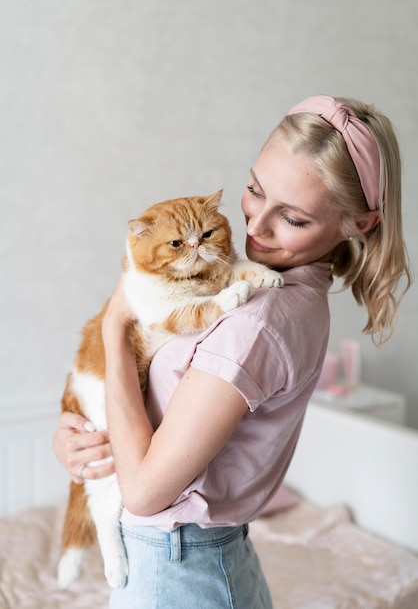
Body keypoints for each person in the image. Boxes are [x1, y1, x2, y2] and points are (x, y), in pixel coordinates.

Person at [53, 95, 411, 608]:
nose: (256, 227)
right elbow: (152, 407)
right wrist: (81, 444)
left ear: (359, 224)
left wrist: (114, 322)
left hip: (175, 568)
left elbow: (145, 492)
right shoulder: (275, 293)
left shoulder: (258, 322)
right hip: (199, 560)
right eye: (254, 190)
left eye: (293, 217)